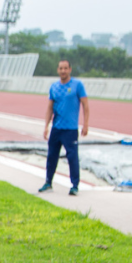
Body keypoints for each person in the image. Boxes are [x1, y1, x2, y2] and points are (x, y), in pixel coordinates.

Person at [39, 59, 89, 196]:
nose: (63, 71)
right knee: (51, 156)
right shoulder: (54, 87)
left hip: (70, 129)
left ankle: (74, 185)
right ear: (58, 70)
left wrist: (85, 124)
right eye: (61, 68)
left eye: (65, 68)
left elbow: (85, 105)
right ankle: (48, 182)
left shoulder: (77, 85)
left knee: (72, 157)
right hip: (56, 128)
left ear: (70, 69)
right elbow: (50, 107)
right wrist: (46, 126)